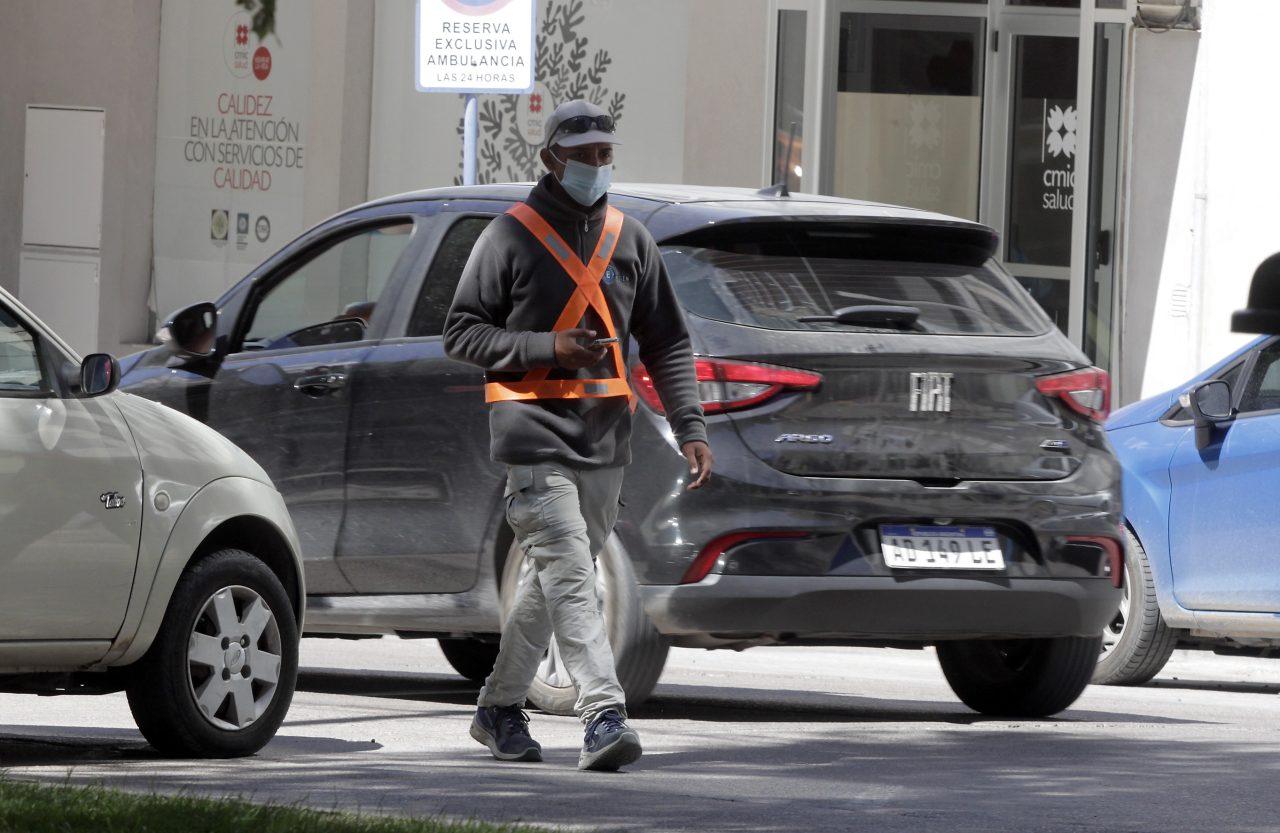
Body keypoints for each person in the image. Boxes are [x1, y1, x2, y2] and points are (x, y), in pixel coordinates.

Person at [444, 98, 713, 772]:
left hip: (605, 443)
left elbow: (668, 341)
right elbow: (461, 332)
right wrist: (548, 346)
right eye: (585, 154)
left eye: (606, 153)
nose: (598, 164)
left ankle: (499, 707)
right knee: (571, 574)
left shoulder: (631, 238)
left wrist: (691, 425)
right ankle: (603, 714)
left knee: (547, 580)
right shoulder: (510, 236)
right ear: (551, 159)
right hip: (533, 441)